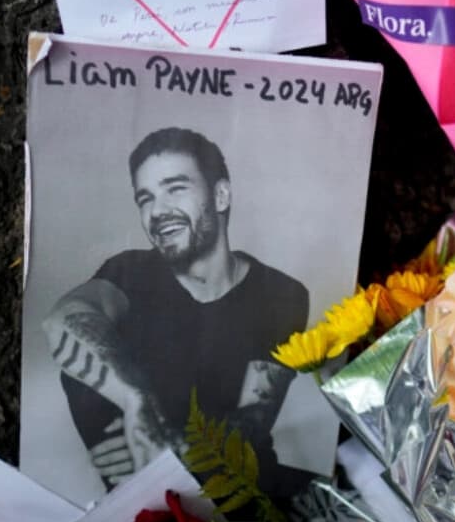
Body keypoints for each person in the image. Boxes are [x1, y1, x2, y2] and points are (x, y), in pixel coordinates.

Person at [43, 127, 310, 493]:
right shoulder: (129, 272)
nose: (158, 211)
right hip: (143, 507)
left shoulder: (280, 294)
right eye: (145, 198)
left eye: (176, 188)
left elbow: (252, 421)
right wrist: (137, 403)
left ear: (220, 195)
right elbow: (63, 319)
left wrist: (160, 448)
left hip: (248, 495)